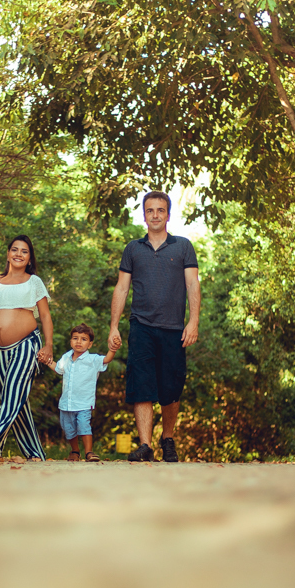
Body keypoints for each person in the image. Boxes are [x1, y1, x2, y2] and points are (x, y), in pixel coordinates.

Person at [108, 191, 200, 462]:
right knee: (142, 386)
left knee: (171, 389)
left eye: (161, 210)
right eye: (151, 210)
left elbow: (192, 284)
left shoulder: (183, 246)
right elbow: (122, 288)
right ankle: (145, 445)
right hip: (141, 326)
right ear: (144, 215)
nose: (156, 215)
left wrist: (193, 321)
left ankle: (168, 438)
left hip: (173, 328)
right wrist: (114, 326)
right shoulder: (133, 249)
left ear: (168, 215)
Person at [0, 235, 54, 461]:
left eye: (24, 251)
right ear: (8, 254)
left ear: (30, 258)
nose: (18, 254)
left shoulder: (34, 282)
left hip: (26, 344)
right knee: (15, 401)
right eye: (15, 249)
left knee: (12, 397)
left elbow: (46, 316)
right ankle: (35, 454)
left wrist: (48, 345)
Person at [54, 323, 118, 462]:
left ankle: (89, 452)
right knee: (69, 429)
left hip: (84, 402)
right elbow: (58, 369)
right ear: (70, 341)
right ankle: (75, 451)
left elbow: (107, 359)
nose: (79, 342)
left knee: (84, 425)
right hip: (66, 403)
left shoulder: (92, 360)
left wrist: (113, 349)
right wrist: (46, 360)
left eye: (84, 339)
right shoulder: (66, 357)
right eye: (75, 338)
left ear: (90, 344)